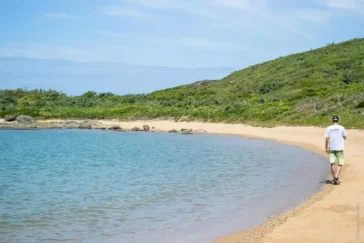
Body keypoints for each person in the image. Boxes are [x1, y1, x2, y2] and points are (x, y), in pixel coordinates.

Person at [325, 115, 347, 185]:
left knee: (332, 163)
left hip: (331, 148)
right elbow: (344, 137)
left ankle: (334, 178)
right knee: (340, 163)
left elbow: (327, 139)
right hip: (339, 148)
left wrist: (326, 148)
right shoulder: (341, 128)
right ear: (338, 120)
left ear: (332, 121)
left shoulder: (328, 128)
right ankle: (336, 177)